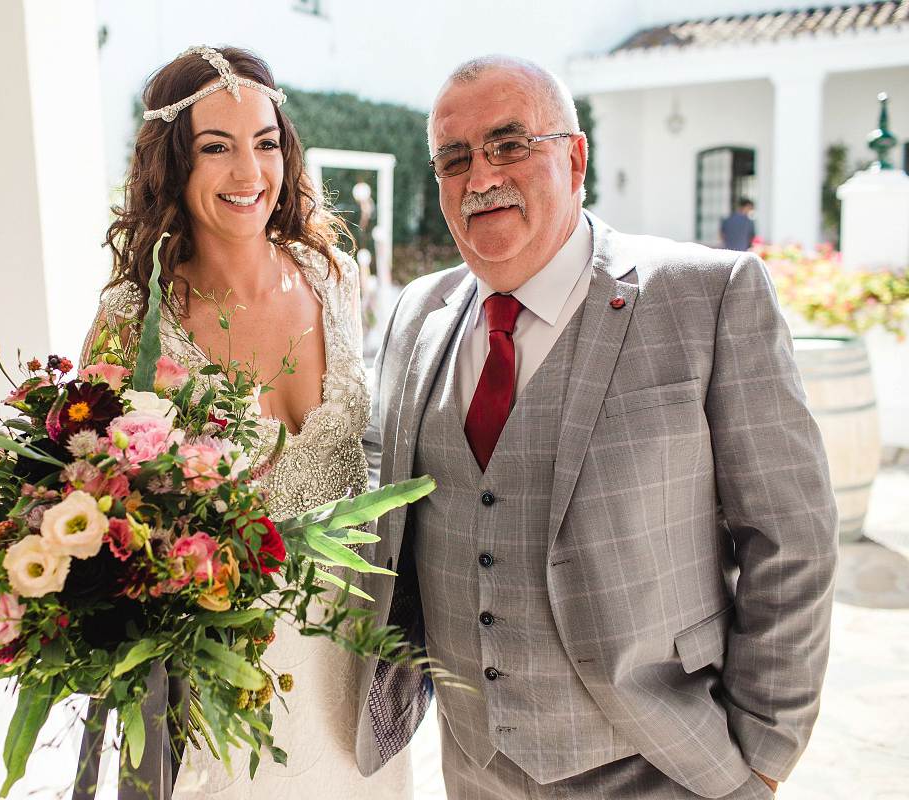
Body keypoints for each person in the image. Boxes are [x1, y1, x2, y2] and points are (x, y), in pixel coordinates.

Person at [358, 55, 837, 800]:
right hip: (473, 769)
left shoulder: (707, 297)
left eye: (510, 144)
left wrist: (764, 753)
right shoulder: (416, 313)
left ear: (574, 157)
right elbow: (375, 498)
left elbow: (791, 537)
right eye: (455, 158)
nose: (480, 175)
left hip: (668, 766)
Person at [82, 46, 413, 800]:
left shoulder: (333, 277)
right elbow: (97, 514)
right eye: (216, 148)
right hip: (227, 681)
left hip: (360, 657)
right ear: (172, 164)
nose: (249, 174)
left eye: (265, 143)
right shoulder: (132, 321)